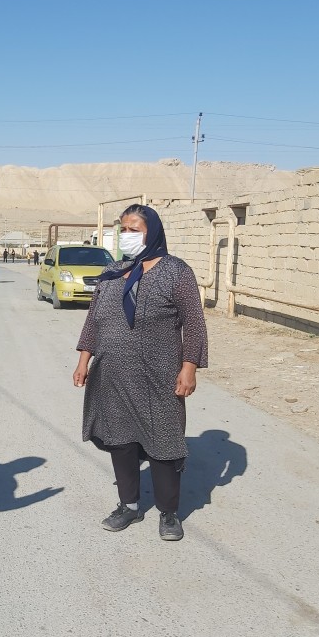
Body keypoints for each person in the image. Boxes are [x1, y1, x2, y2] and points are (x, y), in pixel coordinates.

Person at [72, 204, 207, 542]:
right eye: (124, 230)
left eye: (135, 229)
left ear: (153, 231)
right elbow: (94, 319)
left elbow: (193, 322)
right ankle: (128, 505)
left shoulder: (176, 271)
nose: (127, 236)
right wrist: (83, 360)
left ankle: (169, 512)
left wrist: (188, 368)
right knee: (121, 441)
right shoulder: (114, 271)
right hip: (113, 373)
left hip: (159, 375)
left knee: (163, 442)